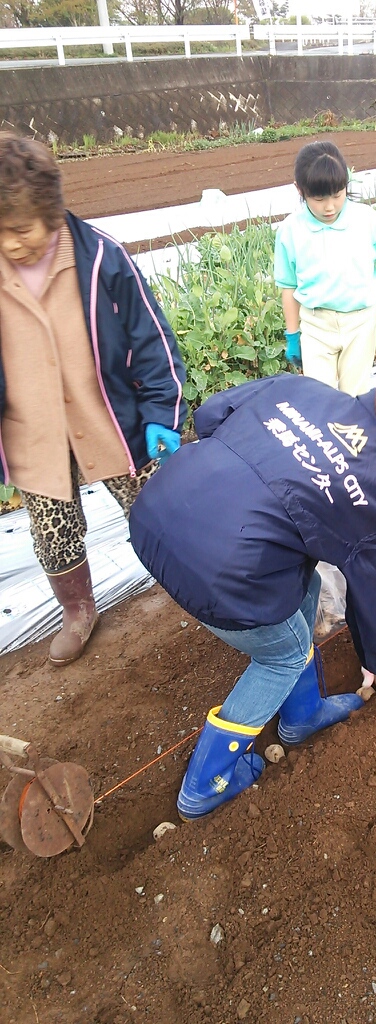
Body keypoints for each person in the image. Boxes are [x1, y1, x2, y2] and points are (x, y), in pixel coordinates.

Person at [129, 373, 376, 820]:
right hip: (219, 571)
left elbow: (211, 415)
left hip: (157, 510)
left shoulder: (304, 390)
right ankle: (205, 785)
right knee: (282, 656)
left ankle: (303, 715)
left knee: (307, 582)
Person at [0, 132, 187, 665]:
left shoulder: (101, 258)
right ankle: (78, 610)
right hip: (30, 429)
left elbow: (150, 337)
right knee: (52, 527)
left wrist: (162, 411)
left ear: (51, 213)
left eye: (22, 230)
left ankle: (192, 577)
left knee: (157, 506)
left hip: (109, 416)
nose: (12, 244)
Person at [274, 140, 376, 396]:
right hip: (316, 325)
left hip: (360, 322)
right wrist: (292, 334)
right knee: (319, 399)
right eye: (319, 198)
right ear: (300, 190)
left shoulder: (366, 220)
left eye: (337, 195)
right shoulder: (290, 230)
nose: (329, 207)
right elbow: (288, 286)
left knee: (353, 396)